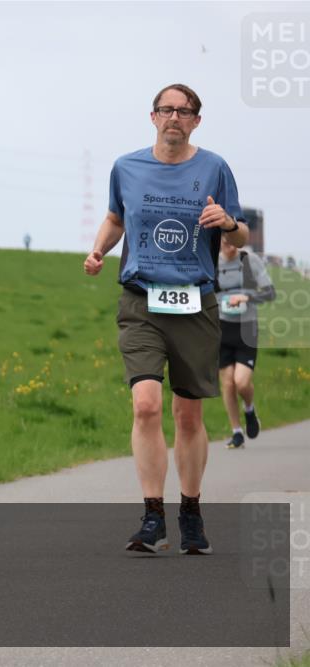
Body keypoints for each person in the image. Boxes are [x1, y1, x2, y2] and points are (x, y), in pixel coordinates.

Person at [83, 83, 249, 555]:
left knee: (188, 414)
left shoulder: (214, 168)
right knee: (146, 405)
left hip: (195, 301)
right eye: (166, 110)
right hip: (141, 299)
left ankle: (190, 511)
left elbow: (243, 231)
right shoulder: (127, 167)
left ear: (196, 121)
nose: (174, 117)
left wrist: (226, 222)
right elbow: (115, 218)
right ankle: (152, 515)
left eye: (184, 111)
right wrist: (99, 249)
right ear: (152, 117)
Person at [216, 238, 275, 448]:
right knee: (228, 382)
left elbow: (270, 292)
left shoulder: (250, 261)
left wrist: (246, 298)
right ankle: (236, 432)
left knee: (241, 382)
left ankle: (249, 409)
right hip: (221, 327)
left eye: (232, 240)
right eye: (224, 239)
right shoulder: (213, 262)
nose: (228, 243)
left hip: (246, 327)